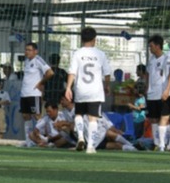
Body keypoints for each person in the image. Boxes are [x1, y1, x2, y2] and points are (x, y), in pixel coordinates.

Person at [65, 26, 111, 154]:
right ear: (94, 39)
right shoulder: (100, 54)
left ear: (81, 39)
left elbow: (72, 72)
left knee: (79, 114)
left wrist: (68, 88)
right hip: (95, 91)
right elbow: (107, 73)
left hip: (81, 89)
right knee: (93, 118)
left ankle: (80, 136)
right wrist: (107, 85)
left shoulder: (78, 53)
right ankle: (90, 146)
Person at [20, 42, 54, 144]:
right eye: (26, 50)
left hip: (34, 93)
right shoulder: (26, 61)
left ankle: (44, 139)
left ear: (35, 51)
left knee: (37, 116)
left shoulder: (38, 60)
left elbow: (50, 73)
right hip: (24, 93)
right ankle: (28, 141)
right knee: (26, 116)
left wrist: (41, 83)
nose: (27, 52)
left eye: (29, 50)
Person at [145, 35, 166, 149]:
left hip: (161, 93)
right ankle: (156, 142)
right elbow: (148, 73)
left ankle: (163, 141)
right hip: (151, 93)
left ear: (158, 46)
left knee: (163, 118)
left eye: (151, 46)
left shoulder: (166, 59)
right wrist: (147, 87)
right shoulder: (152, 59)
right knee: (153, 119)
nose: (150, 48)